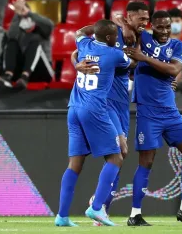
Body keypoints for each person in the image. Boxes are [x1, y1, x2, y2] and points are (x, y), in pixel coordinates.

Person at [119, 11, 182, 226]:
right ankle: (135, 214)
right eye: (160, 27)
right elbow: (120, 21)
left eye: (168, 27)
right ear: (151, 26)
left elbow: (174, 69)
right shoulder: (143, 38)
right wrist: (128, 25)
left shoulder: (179, 46)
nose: (165, 31)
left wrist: (143, 59)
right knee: (146, 162)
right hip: (148, 113)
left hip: (170, 112)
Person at [71, 1, 149, 226]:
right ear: (129, 18)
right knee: (119, 151)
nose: (144, 23)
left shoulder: (143, 38)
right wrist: (76, 65)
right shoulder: (113, 34)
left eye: (147, 19)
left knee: (121, 156)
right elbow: (78, 51)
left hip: (123, 103)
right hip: (107, 103)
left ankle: (101, 209)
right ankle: (97, 206)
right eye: (140, 19)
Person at [55, 20, 131, 227]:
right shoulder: (115, 54)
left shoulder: (84, 45)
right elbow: (129, 62)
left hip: (74, 108)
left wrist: (98, 28)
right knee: (116, 158)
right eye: (115, 34)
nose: (118, 37)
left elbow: (80, 31)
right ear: (109, 38)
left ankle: (62, 216)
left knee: (75, 164)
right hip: (94, 109)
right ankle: (97, 207)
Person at [0, 0, 54, 89]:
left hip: (42, 71)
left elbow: (50, 25)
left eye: (24, 11)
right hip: (20, 72)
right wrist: (17, 15)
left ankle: (25, 76)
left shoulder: (41, 25)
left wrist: (28, 14)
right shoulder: (18, 28)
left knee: (34, 43)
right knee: (11, 42)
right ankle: (8, 76)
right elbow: (11, 35)